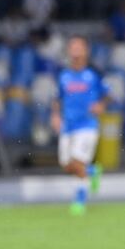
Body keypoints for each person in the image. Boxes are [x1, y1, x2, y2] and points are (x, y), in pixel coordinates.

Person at [51, 36, 106, 215]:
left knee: (76, 162)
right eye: (72, 47)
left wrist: (100, 105)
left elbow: (108, 93)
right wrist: (56, 116)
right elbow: (57, 98)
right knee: (67, 164)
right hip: (68, 125)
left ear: (85, 51)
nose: (75, 51)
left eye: (78, 47)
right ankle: (92, 170)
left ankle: (80, 201)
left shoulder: (93, 74)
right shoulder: (63, 75)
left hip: (87, 125)